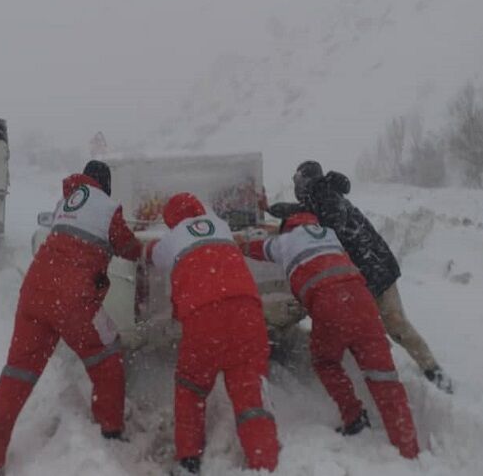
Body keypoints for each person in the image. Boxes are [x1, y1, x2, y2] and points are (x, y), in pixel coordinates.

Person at [0, 160, 142, 476]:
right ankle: (111, 430)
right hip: (74, 300)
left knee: (16, 375)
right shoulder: (107, 208)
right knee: (107, 356)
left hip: (35, 294)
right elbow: (129, 247)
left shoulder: (66, 203)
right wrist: (142, 247)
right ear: (106, 184)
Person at [239, 211, 419, 459]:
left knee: (325, 360)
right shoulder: (329, 234)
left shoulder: (285, 241)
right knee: (383, 374)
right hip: (363, 301)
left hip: (330, 304)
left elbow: (254, 248)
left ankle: (354, 416)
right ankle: (408, 446)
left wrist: (236, 243)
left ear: (287, 228)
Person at [269, 161, 452, 394]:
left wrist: (296, 219)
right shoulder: (320, 197)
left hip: (375, 270)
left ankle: (432, 369)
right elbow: (313, 213)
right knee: (373, 327)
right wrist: (287, 210)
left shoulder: (327, 197)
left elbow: (328, 224)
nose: (297, 186)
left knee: (394, 324)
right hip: (366, 271)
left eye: (298, 181)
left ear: (306, 181)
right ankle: (396, 368)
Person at [144, 192, 279, 475]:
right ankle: (264, 462)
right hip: (247, 312)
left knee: (191, 387)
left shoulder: (172, 238)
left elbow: (153, 256)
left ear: (171, 220)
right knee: (249, 391)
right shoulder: (221, 226)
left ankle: (189, 458)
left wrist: (145, 248)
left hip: (204, 317)